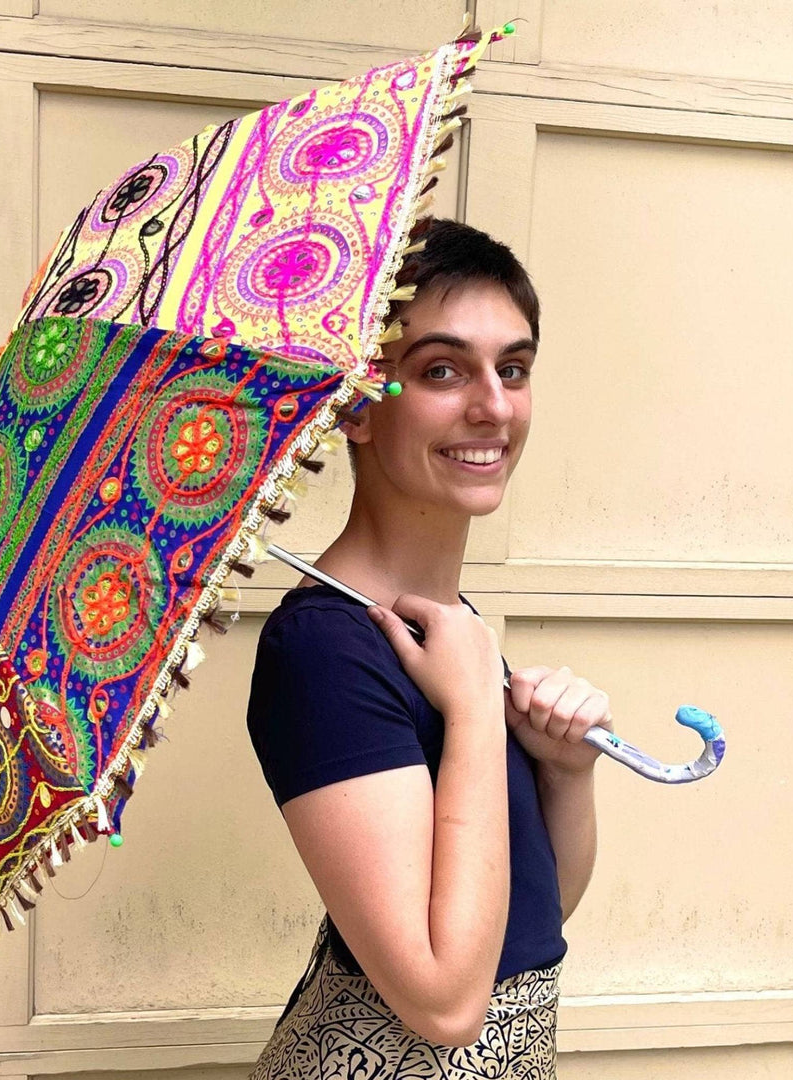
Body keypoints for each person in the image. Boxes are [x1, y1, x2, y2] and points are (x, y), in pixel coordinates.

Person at [245, 219, 613, 1079]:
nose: (493, 405)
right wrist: (480, 706)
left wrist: (565, 769)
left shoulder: (447, 628)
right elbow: (445, 1002)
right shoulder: (325, 652)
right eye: (442, 370)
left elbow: (532, 920)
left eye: (513, 368)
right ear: (359, 406)